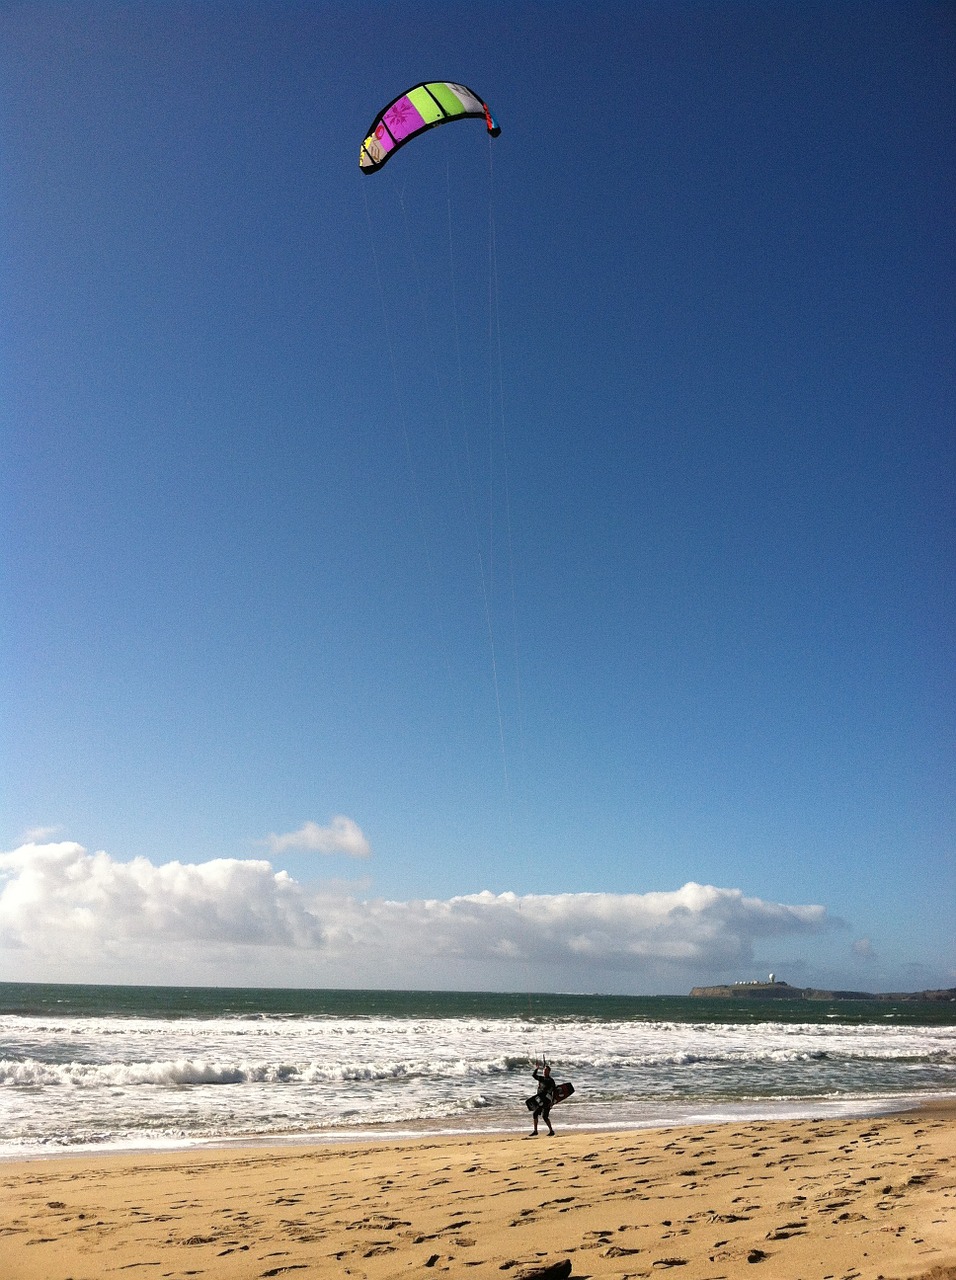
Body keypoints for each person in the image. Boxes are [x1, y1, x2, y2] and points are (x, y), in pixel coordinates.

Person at [530, 1061, 557, 1136]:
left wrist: (552, 1102)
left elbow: (554, 1091)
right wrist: (537, 1068)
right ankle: (535, 1131)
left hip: (547, 1101)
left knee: (545, 1116)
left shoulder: (551, 1081)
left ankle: (551, 1131)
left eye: (546, 1071)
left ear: (549, 1072)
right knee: (535, 1114)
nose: (544, 1072)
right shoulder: (541, 1079)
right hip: (539, 1100)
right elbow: (533, 1075)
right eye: (544, 1070)